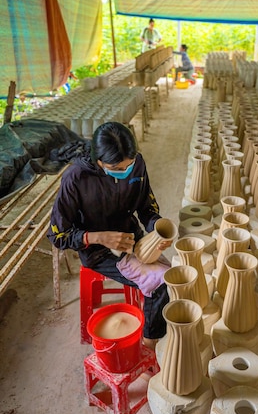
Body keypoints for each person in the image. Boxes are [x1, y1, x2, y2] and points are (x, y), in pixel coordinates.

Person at [47, 121, 172, 349]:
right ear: (99, 160)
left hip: (132, 240)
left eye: (129, 165)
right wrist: (98, 237)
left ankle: (153, 331)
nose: (124, 172)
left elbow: (147, 208)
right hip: (98, 251)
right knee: (162, 283)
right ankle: (149, 345)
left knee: (174, 277)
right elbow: (58, 235)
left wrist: (156, 229)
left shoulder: (137, 164)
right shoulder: (76, 178)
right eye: (115, 168)